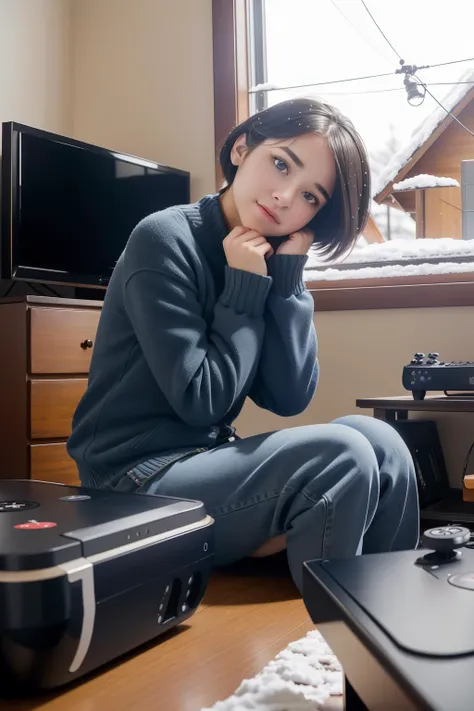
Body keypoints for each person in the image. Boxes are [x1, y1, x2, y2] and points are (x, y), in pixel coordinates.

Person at [67, 97, 419, 593]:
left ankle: (389, 616)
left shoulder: (267, 256)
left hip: (205, 462)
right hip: (130, 483)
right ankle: (335, 630)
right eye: (280, 164)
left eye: (310, 197)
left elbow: (289, 395)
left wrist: (288, 281)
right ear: (240, 149)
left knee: (383, 444)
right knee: (341, 455)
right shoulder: (164, 239)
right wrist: (246, 288)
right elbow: (201, 400)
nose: (284, 198)